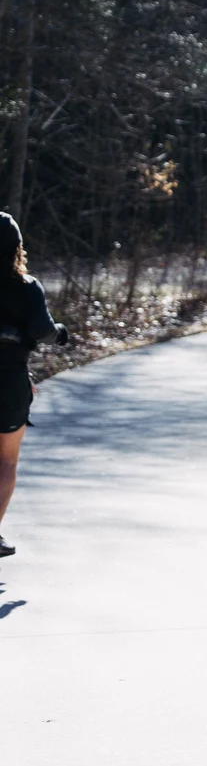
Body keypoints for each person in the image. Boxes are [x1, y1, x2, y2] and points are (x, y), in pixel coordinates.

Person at [0, 212, 68, 558]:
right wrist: (60, 334)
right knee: (6, 461)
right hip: (8, 383)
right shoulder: (27, 288)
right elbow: (43, 331)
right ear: (17, 248)